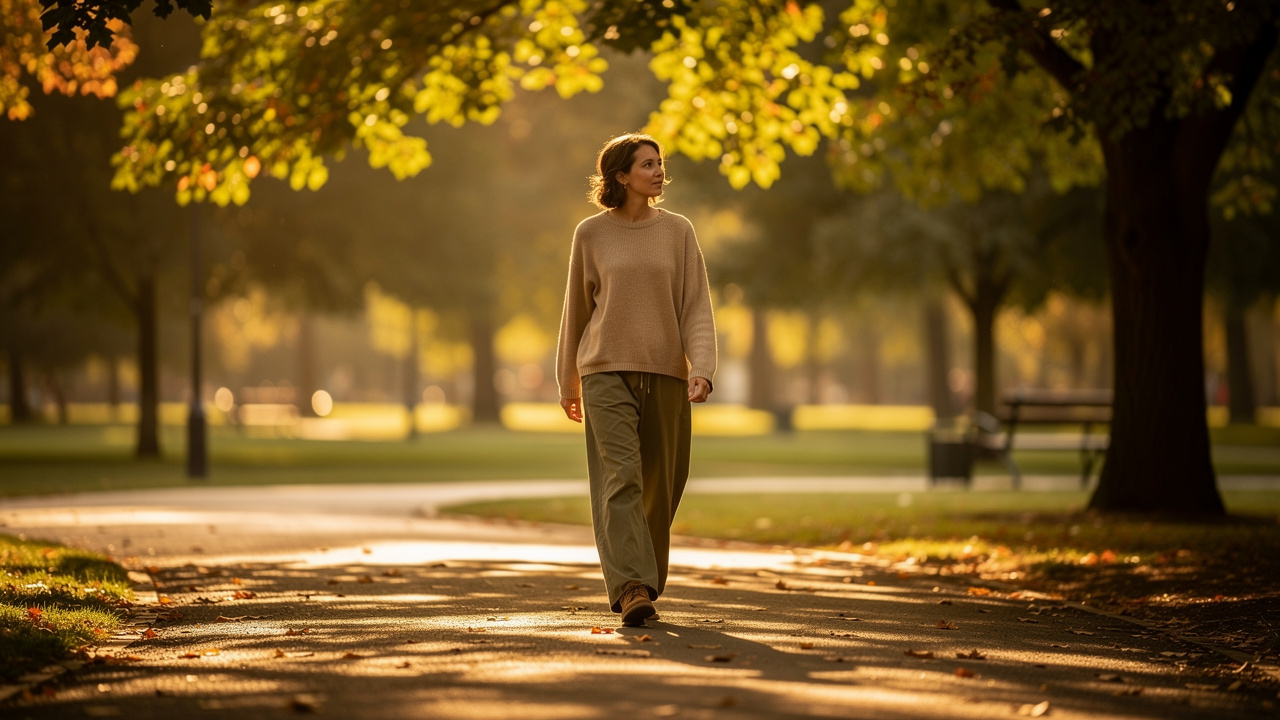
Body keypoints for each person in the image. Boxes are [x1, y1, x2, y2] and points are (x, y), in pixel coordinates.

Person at [556, 133, 717, 627]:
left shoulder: (679, 231)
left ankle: (644, 578)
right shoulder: (590, 234)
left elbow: (695, 307)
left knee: (661, 484)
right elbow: (576, 312)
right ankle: (630, 587)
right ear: (621, 176)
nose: (658, 171)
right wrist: (568, 380)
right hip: (605, 371)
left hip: (666, 372)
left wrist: (703, 368)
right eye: (647, 164)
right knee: (620, 477)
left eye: (660, 163)